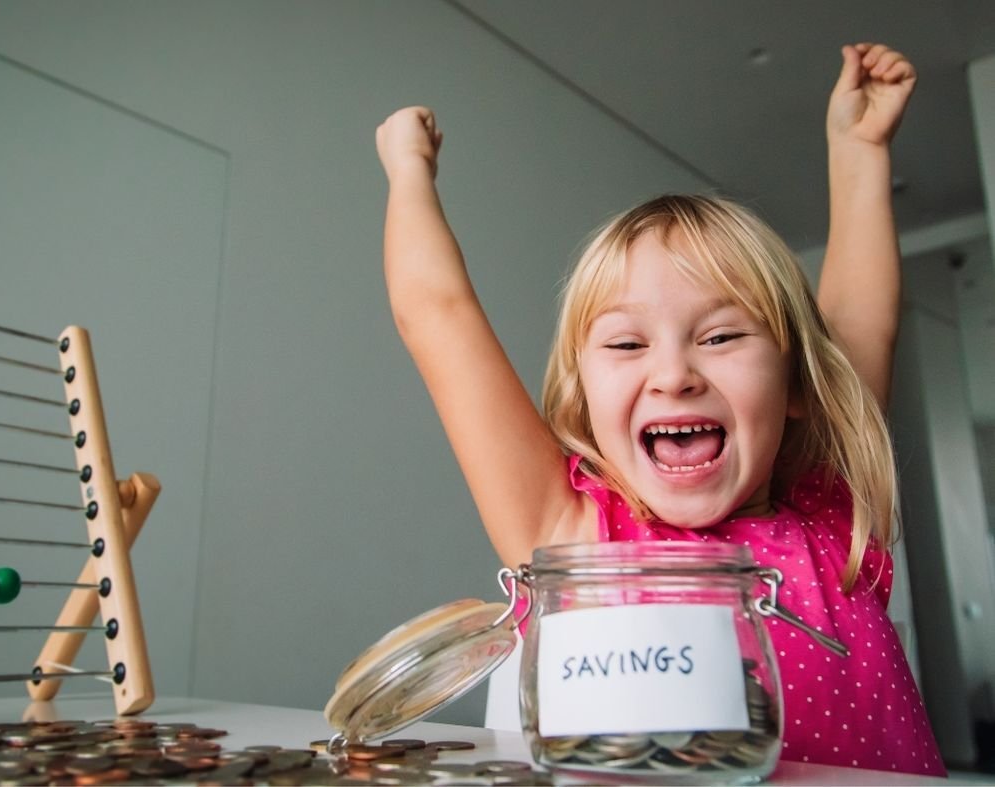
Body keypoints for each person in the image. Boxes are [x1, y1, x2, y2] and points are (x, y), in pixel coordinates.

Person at [376, 43, 944, 775]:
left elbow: (862, 323)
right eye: (626, 343)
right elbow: (437, 315)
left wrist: (860, 149)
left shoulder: (835, 522)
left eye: (721, 335)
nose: (674, 373)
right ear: (585, 398)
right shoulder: (573, 539)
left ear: (800, 385)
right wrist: (407, 169)